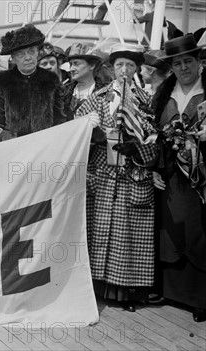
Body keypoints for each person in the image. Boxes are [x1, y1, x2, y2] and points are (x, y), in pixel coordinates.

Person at [75, 43, 158, 312]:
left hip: (133, 174)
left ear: (137, 69)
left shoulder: (146, 100)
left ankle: (128, 292)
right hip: (103, 173)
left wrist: (138, 147)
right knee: (101, 229)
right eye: (120, 65)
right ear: (112, 68)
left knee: (128, 233)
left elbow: (157, 138)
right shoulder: (98, 97)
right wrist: (94, 136)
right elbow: (76, 125)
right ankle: (97, 286)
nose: (124, 70)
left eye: (130, 66)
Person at [151, 34, 206, 322]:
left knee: (199, 230)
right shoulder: (163, 96)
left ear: (199, 62)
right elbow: (151, 137)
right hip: (169, 175)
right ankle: (168, 290)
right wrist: (154, 171)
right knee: (169, 229)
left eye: (188, 61)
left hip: (201, 177)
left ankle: (201, 297)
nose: (183, 67)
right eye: (177, 63)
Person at [0, 24, 66, 140]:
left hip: (46, 144)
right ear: (13, 58)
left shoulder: (51, 80)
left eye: (31, 51)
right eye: (21, 54)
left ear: (37, 54)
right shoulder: (2, 84)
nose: (27, 57)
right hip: (14, 147)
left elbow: (61, 118)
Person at [63, 42, 108, 120]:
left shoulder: (105, 93)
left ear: (92, 65)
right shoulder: (63, 91)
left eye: (76, 64)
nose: (71, 69)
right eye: (71, 64)